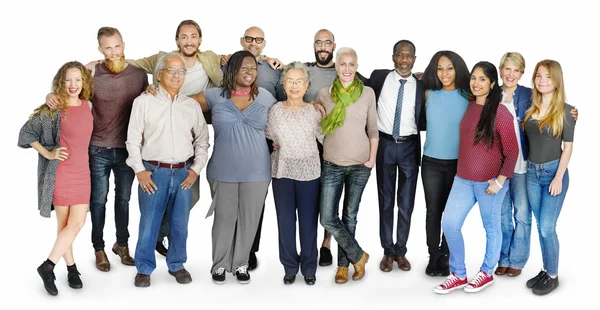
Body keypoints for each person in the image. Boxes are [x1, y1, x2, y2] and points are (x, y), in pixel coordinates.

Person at [47, 27, 148, 271]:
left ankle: (121, 245)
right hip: (97, 149)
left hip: (126, 150)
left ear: (124, 45)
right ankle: (99, 248)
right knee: (98, 202)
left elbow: (147, 104)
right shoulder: (91, 73)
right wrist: (52, 94)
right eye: (108, 48)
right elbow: (69, 85)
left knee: (123, 199)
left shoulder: (139, 74)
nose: (113, 52)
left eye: (117, 46)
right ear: (100, 49)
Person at [124, 20, 221, 257]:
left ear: (200, 39)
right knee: (151, 213)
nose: (189, 41)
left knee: (187, 204)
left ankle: (164, 242)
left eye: (194, 36)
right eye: (184, 37)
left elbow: (243, 58)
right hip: (158, 134)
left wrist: (196, 167)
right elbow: (131, 63)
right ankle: (147, 258)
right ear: (177, 40)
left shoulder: (210, 59)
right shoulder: (162, 60)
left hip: (187, 132)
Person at [188, 50, 275, 285]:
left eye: (254, 68)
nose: (250, 72)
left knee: (249, 219)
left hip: (258, 171)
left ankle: (241, 264)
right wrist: (156, 90)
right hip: (223, 169)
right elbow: (182, 102)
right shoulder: (215, 95)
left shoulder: (266, 97)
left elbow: (285, 115)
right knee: (224, 219)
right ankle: (219, 265)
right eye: (244, 67)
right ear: (232, 69)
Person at [125, 53, 210, 288]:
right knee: (149, 221)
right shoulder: (143, 102)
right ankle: (144, 268)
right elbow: (132, 140)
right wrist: (140, 170)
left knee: (180, 223)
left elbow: (202, 140)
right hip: (153, 173)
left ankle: (177, 264)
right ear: (159, 74)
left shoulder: (191, 106)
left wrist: (196, 169)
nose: (176, 75)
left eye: (181, 71)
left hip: (184, 173)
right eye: (171, 71)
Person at [434, 61, 519, 294]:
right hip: (462, 179)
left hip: (490, 183)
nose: (476, 83)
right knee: (450, 224)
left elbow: (512, 151)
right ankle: (459, 274)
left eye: (483, 79)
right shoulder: (470, 106)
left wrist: (500, 181)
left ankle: (487, 272)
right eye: (473, 78)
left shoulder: (500, 112)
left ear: (492, 84)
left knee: (491, 228)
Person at [19, 61, 94, 296]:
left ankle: (47, 266)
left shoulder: (88, 105)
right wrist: (49, 153)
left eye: (78, 80)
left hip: (83, 172)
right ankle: (71, 268)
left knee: (77, 223)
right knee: (64, 226)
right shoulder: (53, 108)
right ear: (61, 82)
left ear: (84, 82)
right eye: (68, 80)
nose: (73, 85)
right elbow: (25, 134)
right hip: (61, 172)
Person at [276, 29, 338, 267]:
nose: (323, 46)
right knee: (298, 211)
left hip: (325, 142)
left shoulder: (343, 71)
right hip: (298, 142)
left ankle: (325, 245)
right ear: (314, 45)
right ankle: (293, 263)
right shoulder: (305, 68)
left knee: (324, 203)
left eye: (327, 43)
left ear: (334, 45)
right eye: (319, 42)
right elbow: (287, 77)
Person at [363, 40, 424, 273]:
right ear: (393, 57)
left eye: (409, 56)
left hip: (409, 147)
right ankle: (388, 252)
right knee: (386, 200)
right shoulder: (378, 77)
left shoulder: (421, 84)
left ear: (415, 60)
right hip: (385, 145)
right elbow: (353, 78)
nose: (405, 60)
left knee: (406, 203)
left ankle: (401, 251)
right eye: (400, 55)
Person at [316, 47, 376, 284]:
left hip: (361, 164)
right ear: (336, 66)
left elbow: (373, 129)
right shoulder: (324, 93)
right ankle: (358, 256)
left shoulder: (368, 93)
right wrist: (315, 108)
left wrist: (371, 159)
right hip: (332, 163)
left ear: (357, 66)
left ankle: (343, 267)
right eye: (343, 64)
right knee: (327, 217)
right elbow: (315, 119)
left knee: (350, 215)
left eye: (352, 64)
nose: (347, 69)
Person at [266, 62, 323, 285]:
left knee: (308, 224)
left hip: (309, 174)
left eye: (299, 81)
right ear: (284, 84)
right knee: (285, 223)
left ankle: (309, 268)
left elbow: (325, 139)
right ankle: (290, 267)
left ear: (307, 85)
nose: (295, 85)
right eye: (290, 81)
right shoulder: (275, 110)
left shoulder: (314, 112)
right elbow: (268, 139)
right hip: (282, 173)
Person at [522, 59, 574, 296]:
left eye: (548, 77)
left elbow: (568, 147)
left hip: (554, 173)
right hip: (532, 174)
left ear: (556, 81)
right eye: (539, 76)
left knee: (546, 227)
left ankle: (553, 275)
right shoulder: (530, 108)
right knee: (540, 224)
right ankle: (545, 269)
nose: (543, 80)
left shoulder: (566, 110)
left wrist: (559, 178)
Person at [419, 50, 470, 276]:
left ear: (457, 69)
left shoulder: (467, 95)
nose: (445, 73)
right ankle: (433, 256)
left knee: (451, 214)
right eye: (440, 68)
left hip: (458, 165)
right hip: (431, 163)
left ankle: (446, 255)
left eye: (449, 68)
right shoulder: (429, 93)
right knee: (433, 212)